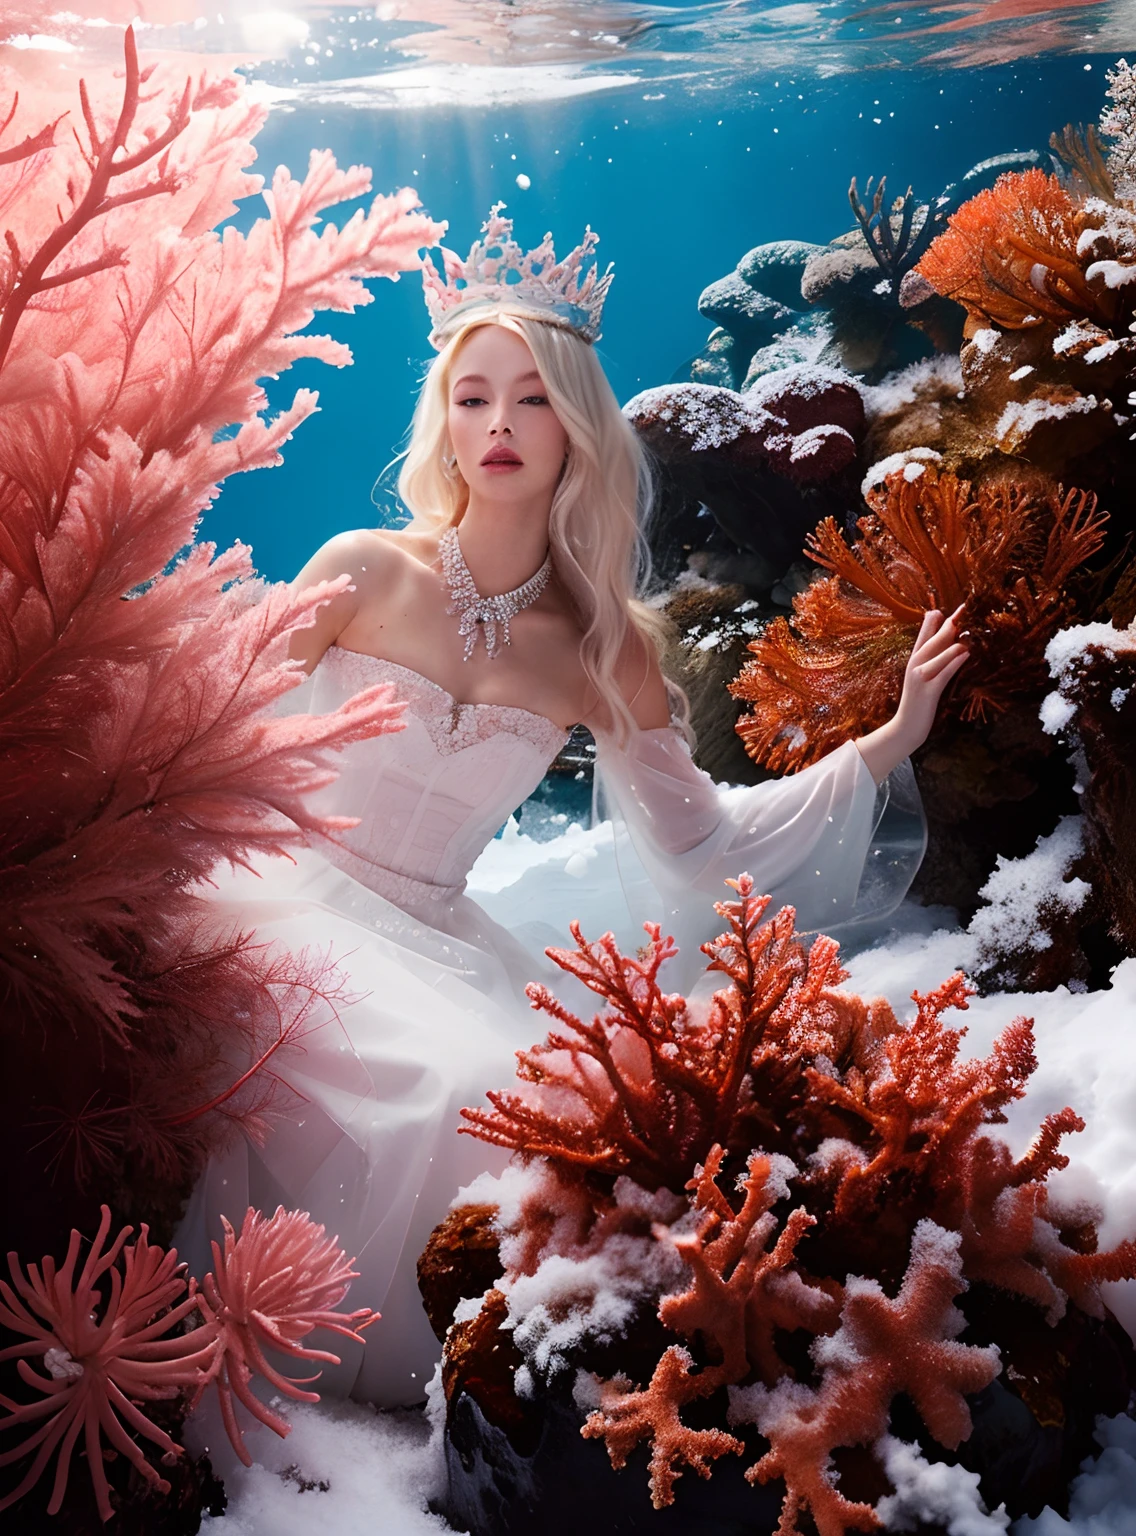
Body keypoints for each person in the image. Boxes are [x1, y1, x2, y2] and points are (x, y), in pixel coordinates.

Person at [177, 207, 968, 1410]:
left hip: (436, 936)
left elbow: (702, 838)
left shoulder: (605, 652)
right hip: (286, 897)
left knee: (555, 1104)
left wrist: (887, 740)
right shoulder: (360, 567)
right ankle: (361, 1371)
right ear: (442, 420)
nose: (499, 426)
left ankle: (526, 1388)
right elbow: (205, 730)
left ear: (578, 426)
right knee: (443, 1080)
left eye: (532, 398)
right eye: (472, 396)